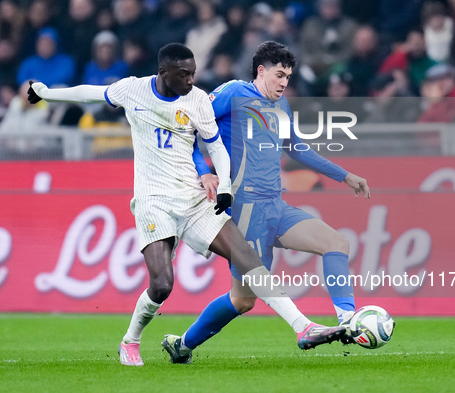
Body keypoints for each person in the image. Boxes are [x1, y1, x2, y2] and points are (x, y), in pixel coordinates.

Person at [26, 43, 346, 367]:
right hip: (154, 202)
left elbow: (216, 146)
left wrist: (222, 184)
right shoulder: (133, 90)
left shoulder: (197, 100)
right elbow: (88, 93)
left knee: (247, 257)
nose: (192, 80)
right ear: (164, 73)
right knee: (162, 285)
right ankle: (131, 339)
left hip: (193, 201)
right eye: (184, 75)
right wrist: (46, 93)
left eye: (193, 73)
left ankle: (303, 327)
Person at [162, 41, 371, 364]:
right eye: (279, 74)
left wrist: (344, 175)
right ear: (261, 71)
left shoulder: (281, 105)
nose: (284, 82)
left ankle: (348, 321)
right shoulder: (232, 93)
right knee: (242, 300)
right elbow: (187, 130)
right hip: (245, 212)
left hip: (277, 207)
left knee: (336, 244)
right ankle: (183, 345)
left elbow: (296, 148)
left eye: (288, 76)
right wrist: (205, 172)